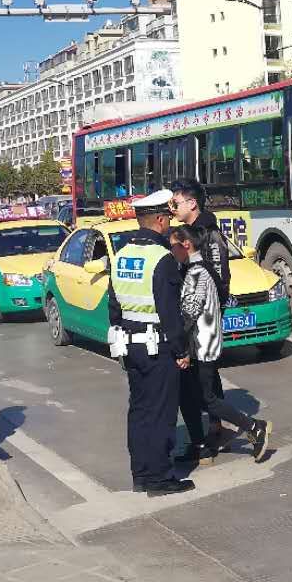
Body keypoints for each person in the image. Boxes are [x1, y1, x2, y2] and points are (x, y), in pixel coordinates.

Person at [108, 190, 195, 497]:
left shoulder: (121, 255)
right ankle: (159, 479)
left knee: (140, 410)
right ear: (159, 220)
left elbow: (114, 306)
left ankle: (141, 474)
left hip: (130, 345)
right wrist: (181, 350)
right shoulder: (162, 258)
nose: (169, 225)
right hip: (158, 346)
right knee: (161, 412)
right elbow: (169, 311)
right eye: (167, 219)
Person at [170, 224, 271, 464]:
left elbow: (189, 314)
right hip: (202, 344)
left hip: (202, 346)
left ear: (186, 245)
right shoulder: (196, 269)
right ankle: (200, 446)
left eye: (173, 246)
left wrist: (179, 346)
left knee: (207, 399)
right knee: (193, 397)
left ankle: (254, 427)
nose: (171, 251)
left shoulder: (197, 274)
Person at [168, 178, 232, 445]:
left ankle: (220, 427)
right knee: (203, 374)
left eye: (176, 203)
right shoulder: (185, 232)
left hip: (203, 315)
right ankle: (213, 426)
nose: (172, 208)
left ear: (192, 203)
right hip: (191, 310)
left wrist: (210, 311)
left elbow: (220, 278)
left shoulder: (210, 234)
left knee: (205, 373)